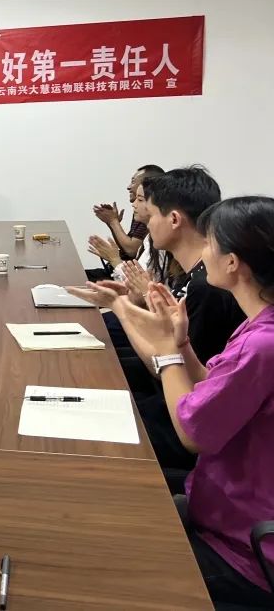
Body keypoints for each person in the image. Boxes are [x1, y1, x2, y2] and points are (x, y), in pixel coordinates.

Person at [81, 197, 274, 607]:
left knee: (96, 561)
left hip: (243, 553)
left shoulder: (263, 344)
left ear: (233, 262)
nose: (204, 252)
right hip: (220, 512)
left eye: (210, 243)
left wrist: (168, 350)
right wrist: (180, 342)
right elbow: (209, 386)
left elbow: (192, 432)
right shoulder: (258, 327)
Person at [71, 166, 245, 471]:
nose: (145, 224)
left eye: (149, 215)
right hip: (170, 399)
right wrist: (127, 305)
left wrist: (123, 308)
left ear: (174, 219)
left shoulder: (208, 286)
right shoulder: (192, 274)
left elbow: (176, 374)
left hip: (181, 419)